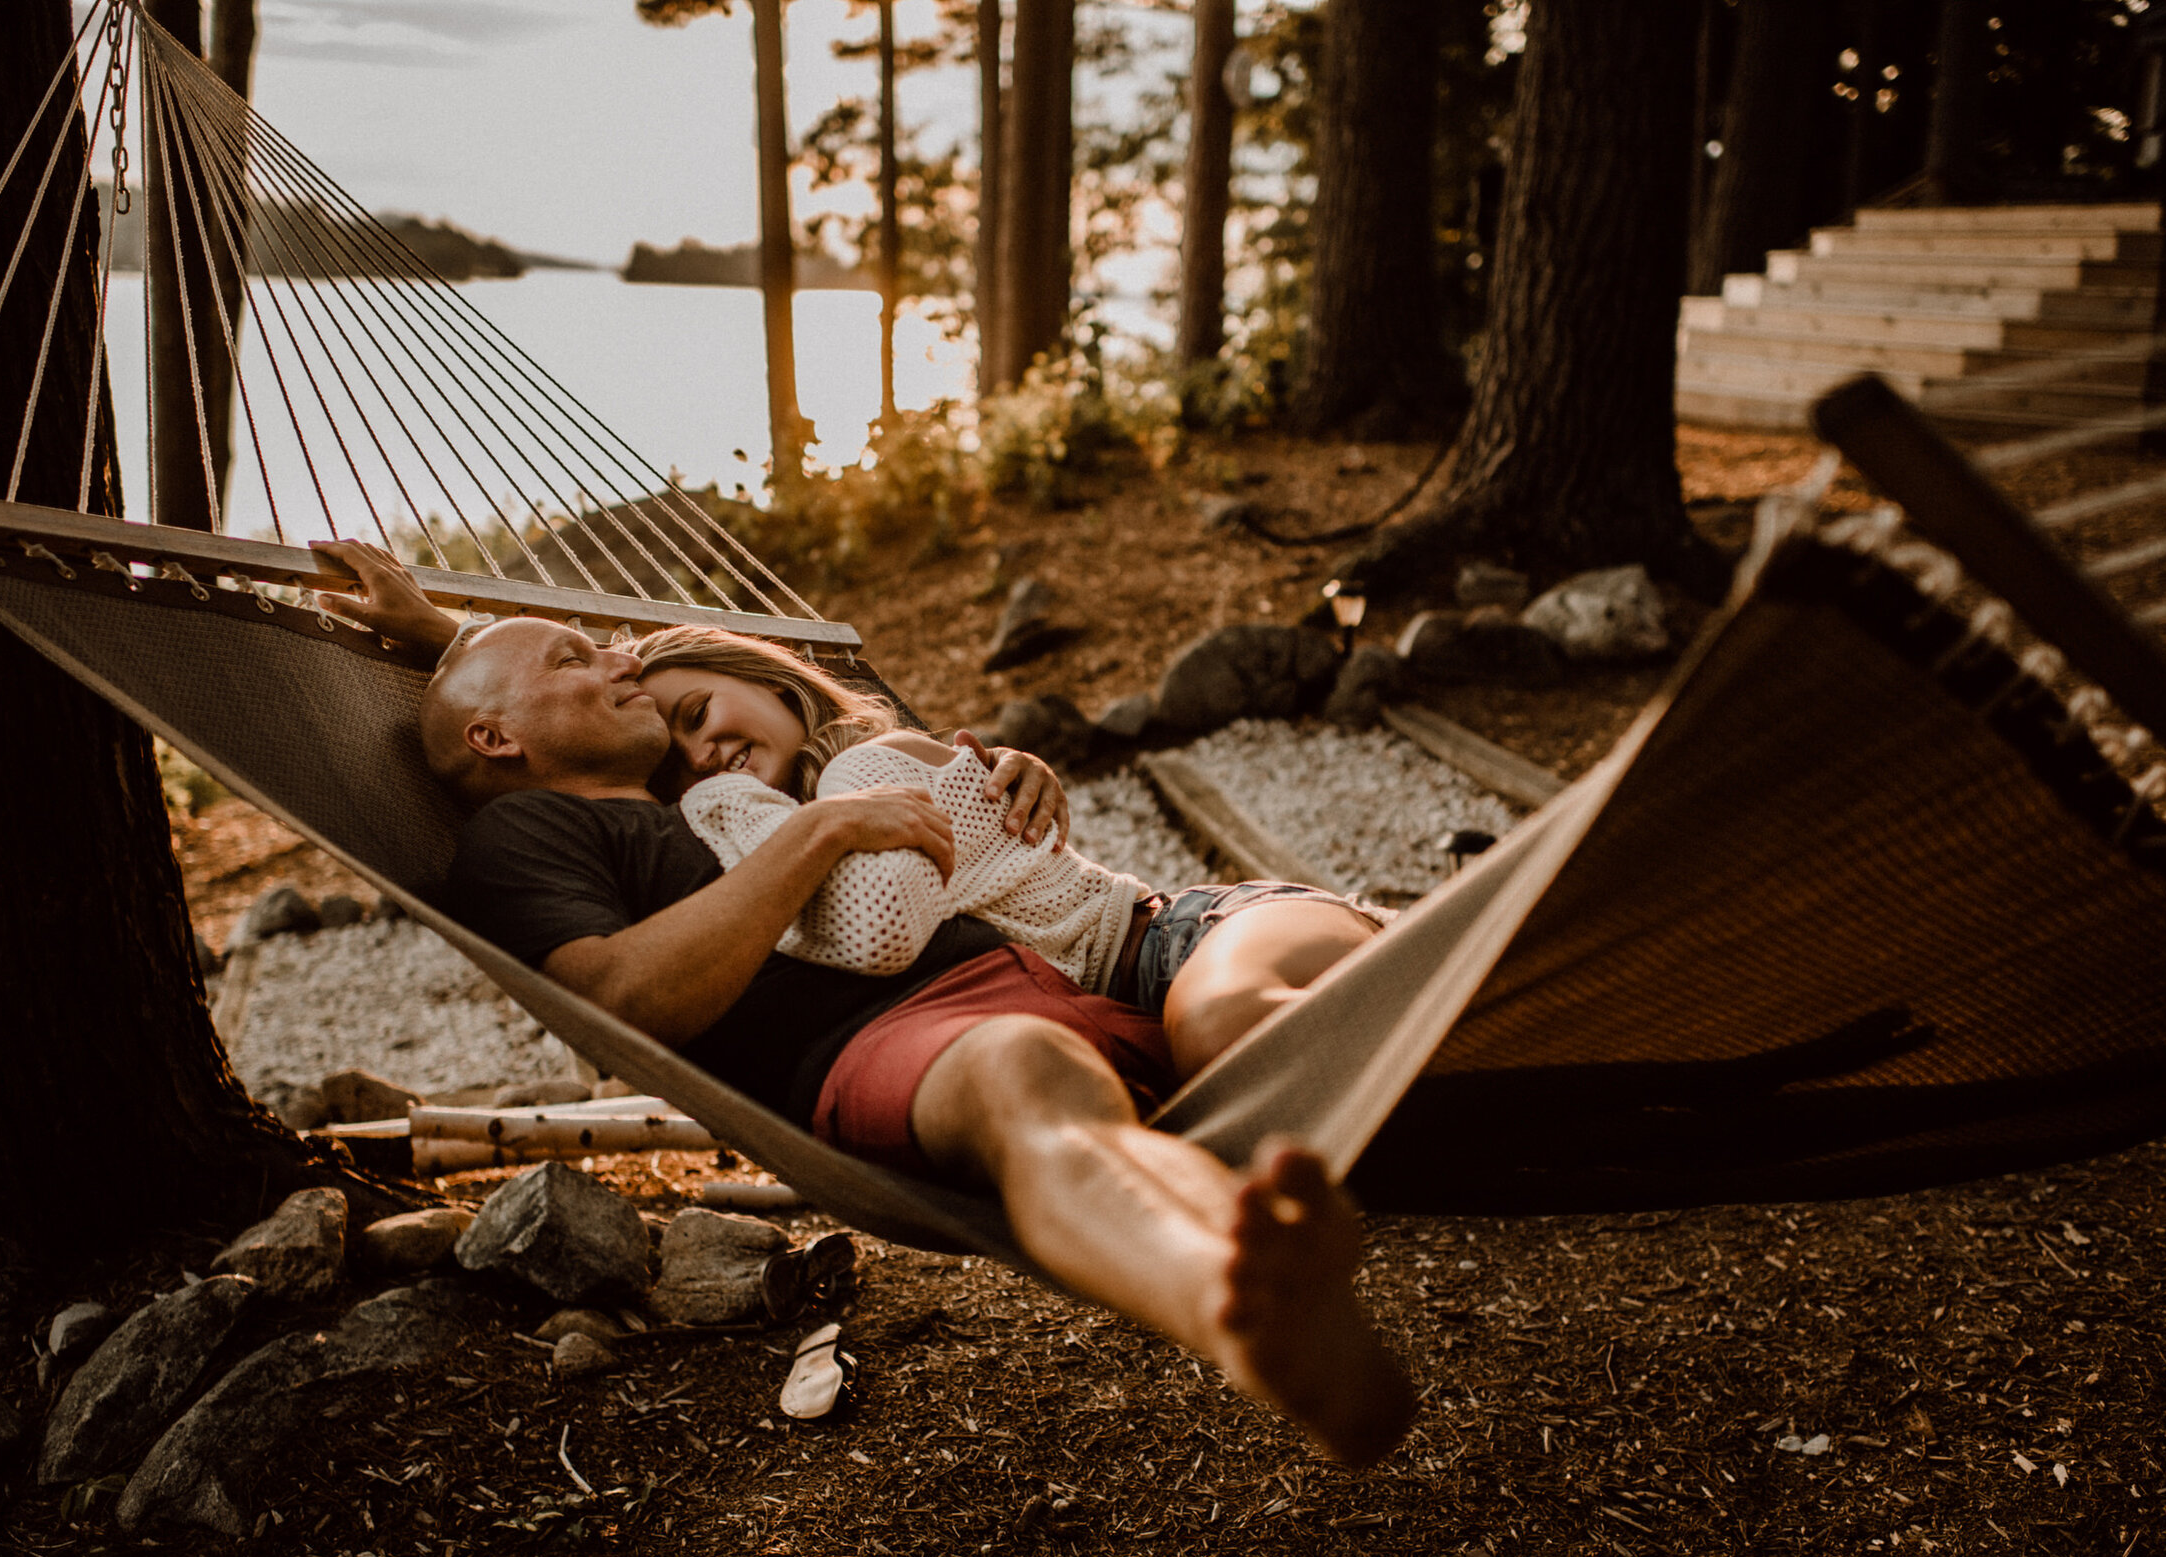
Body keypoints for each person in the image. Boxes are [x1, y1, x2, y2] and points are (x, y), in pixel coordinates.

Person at [313, 540, 1416, 1466]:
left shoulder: (707, 791)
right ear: (497, 741)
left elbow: (584, 695)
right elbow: (623, 998)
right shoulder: (531, 833)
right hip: (888, 1041)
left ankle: (1259, 1244)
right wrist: (822, 832)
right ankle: (1234, 1301)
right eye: (577, 657)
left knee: (1158, 1069)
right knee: (1030, 1087)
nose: (614, 660)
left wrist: (432, 629)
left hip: (1067, 975)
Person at [631, 626, 1391, 1078]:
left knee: (1223, 1030)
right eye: (674, 764)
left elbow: (883, 926)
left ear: (770, 683)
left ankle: (1448, 975)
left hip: (1185, 937)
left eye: (697, 712)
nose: (699, 752)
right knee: (1227, 1049)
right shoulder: (819, 836)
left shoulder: (856, 773)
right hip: (1155, 985)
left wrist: (722, 803)